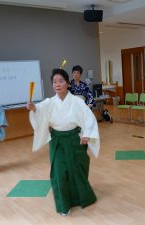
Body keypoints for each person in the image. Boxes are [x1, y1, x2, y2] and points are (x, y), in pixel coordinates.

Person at [27, 68, 100, 216]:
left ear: (68, 83)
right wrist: (34, 108)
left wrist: (87, 134)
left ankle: (80, 198)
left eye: (61, 81)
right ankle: (64, 204)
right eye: (54, 82)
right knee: (59, 172)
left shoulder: (77, 102)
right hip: (58, 141)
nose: (57, 84)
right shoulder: (49, 102)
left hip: (74, 139)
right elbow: (39, 111)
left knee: (76, 170)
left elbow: (89, 117)